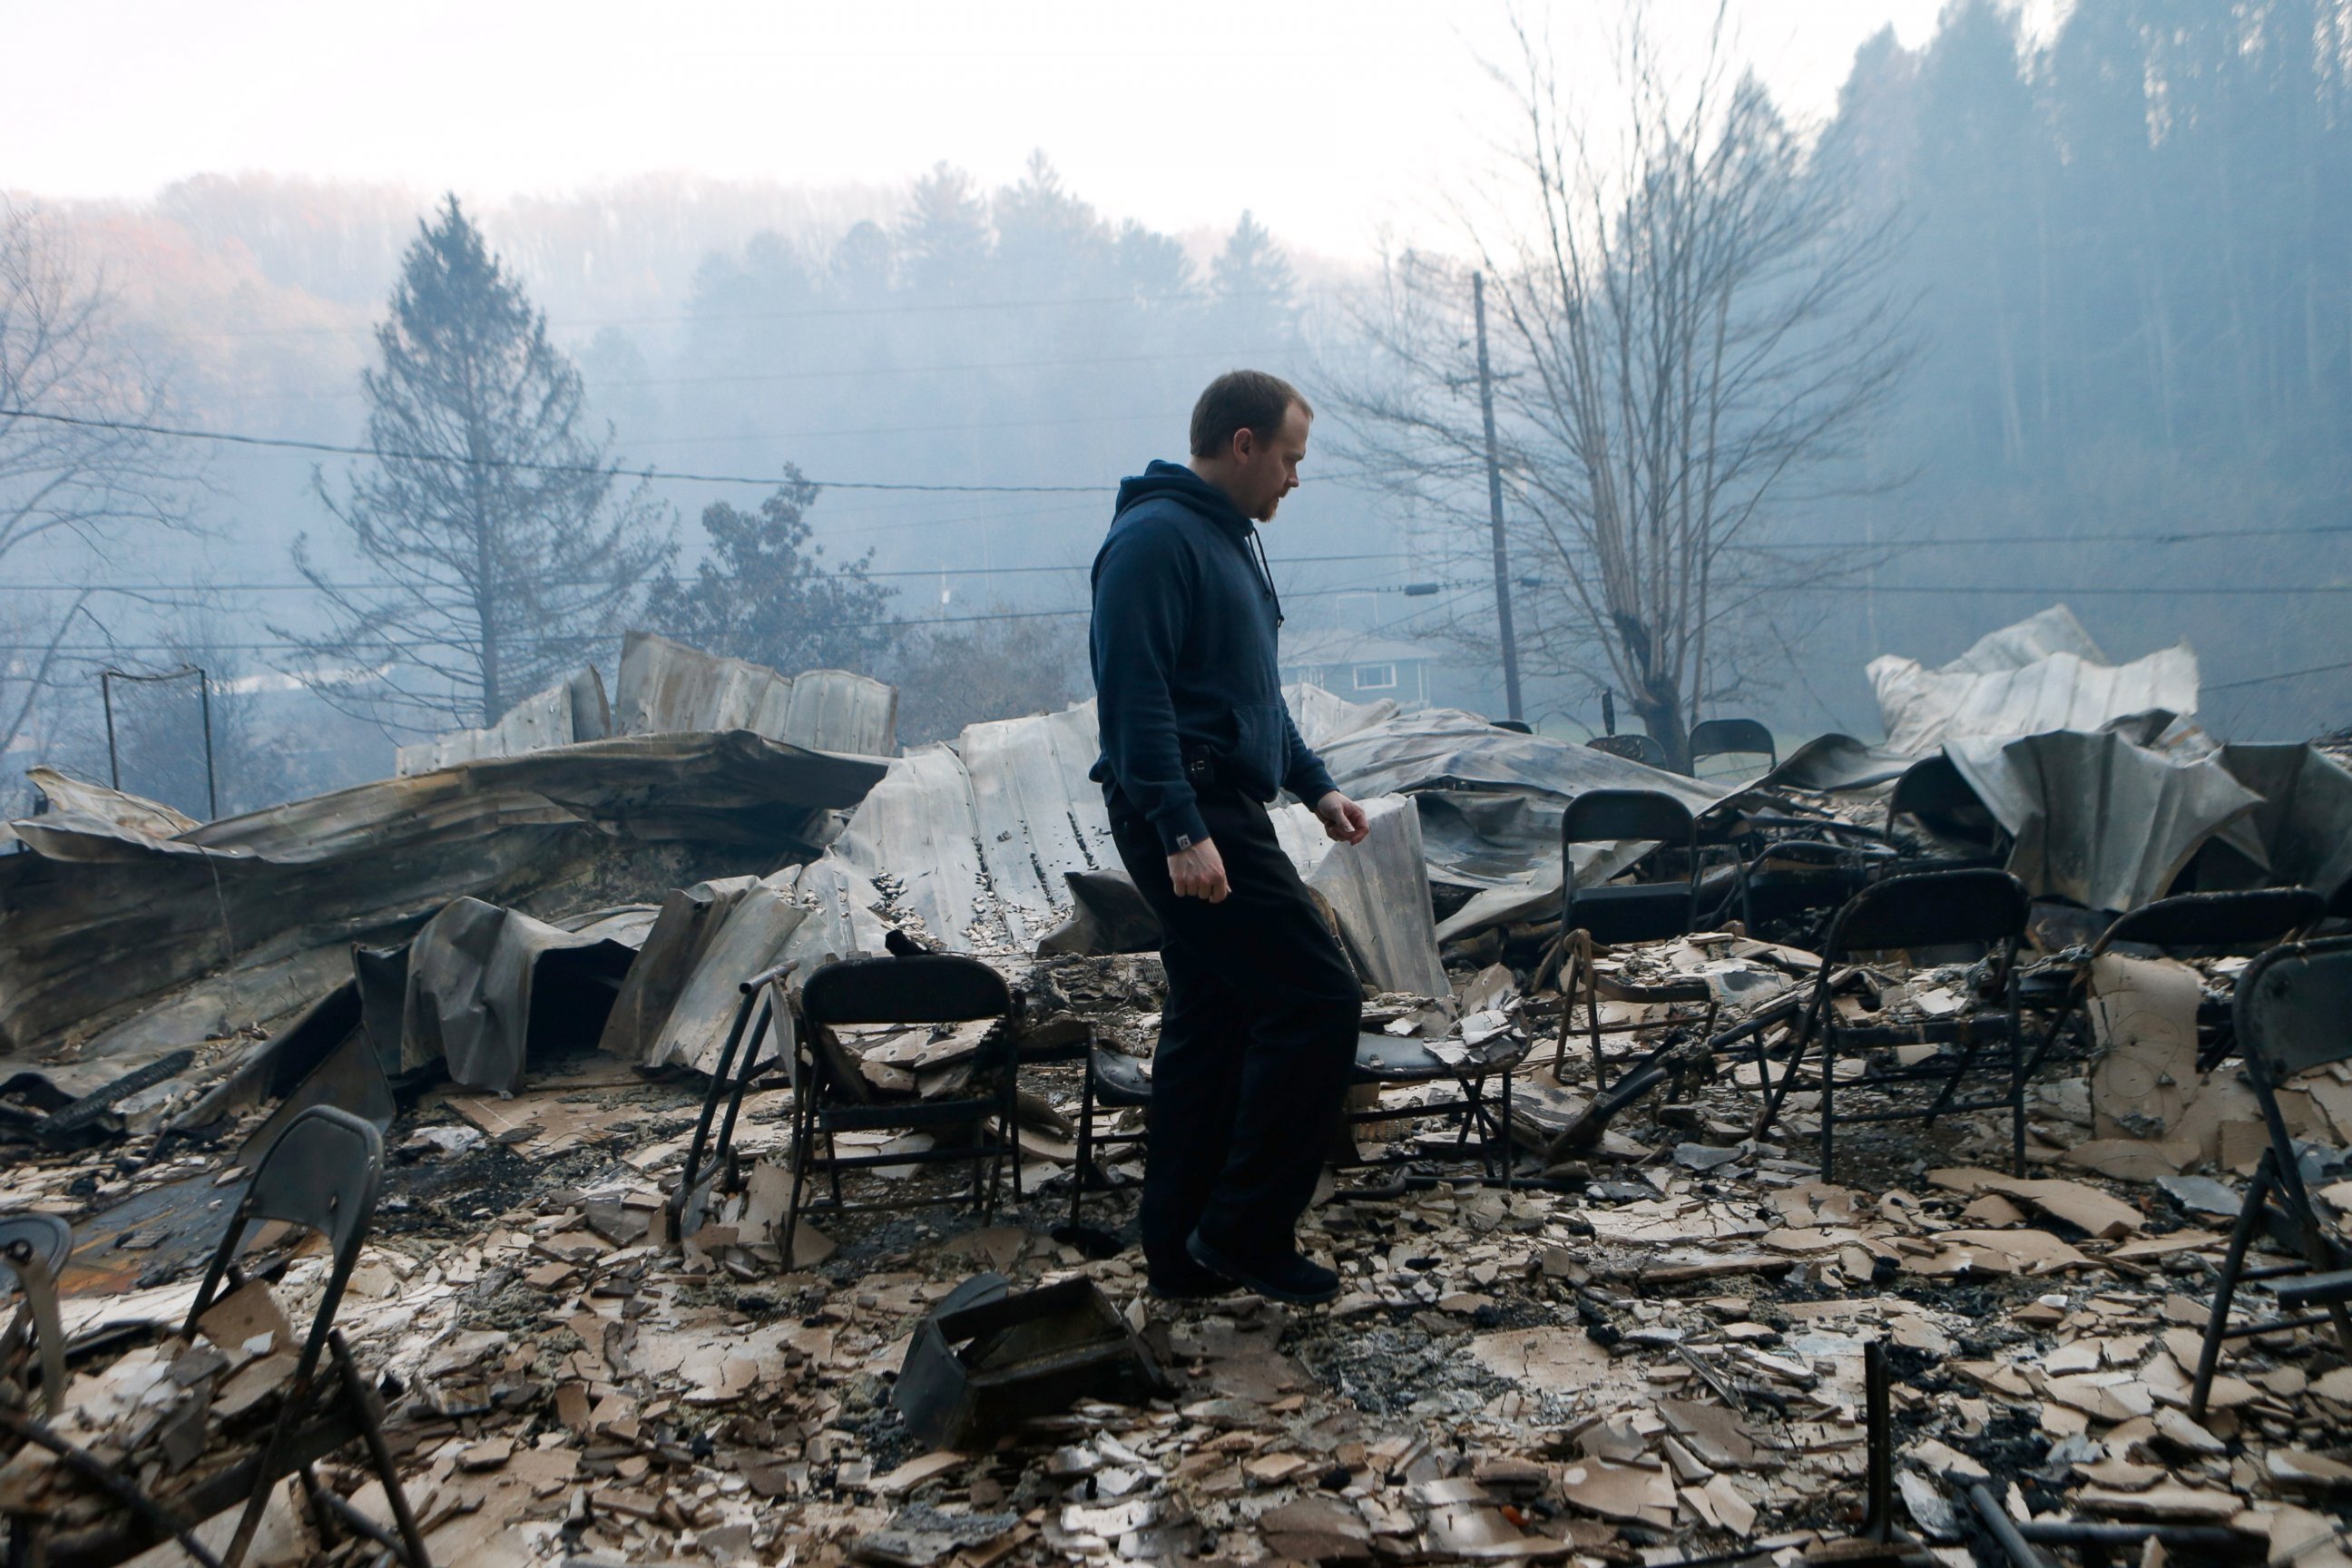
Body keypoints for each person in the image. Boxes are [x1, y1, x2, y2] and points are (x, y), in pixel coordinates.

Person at [1087, 368, 1368, 1306]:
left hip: (1221, 805)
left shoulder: (1229, 545)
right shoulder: (1153, 542)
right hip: (1186, 810)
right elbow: (1136, 700)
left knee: (1213, 1022)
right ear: (1242, 445)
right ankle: (1247, 1228)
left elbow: (1251, 698)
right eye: (1289, 457)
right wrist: (1178, 828)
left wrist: (1317, 787)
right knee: (1318, 998)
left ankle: (1180, 1253)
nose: (1295, 477)